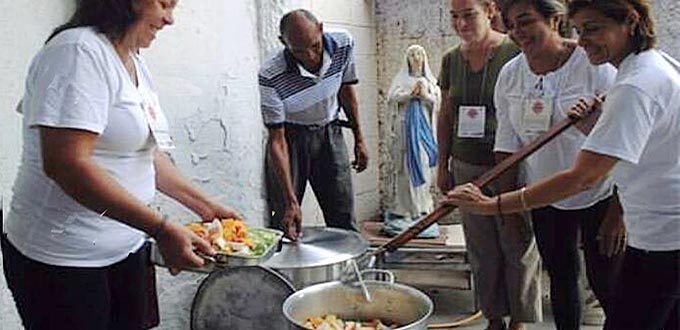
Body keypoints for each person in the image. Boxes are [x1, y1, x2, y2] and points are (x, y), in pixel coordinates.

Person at [1, 1, 240, 329]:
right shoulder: (77, 52)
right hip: (65, 260)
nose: (170, 19)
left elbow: (143, 153)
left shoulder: (131, 61)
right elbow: (67, 164)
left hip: (126, 247)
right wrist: (161, 228)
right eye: (164, 3)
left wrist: (205, 205)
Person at [444, 0, 680, 329]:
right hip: (656, 231)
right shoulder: (647, 67)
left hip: (661, 234)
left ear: (631, 21)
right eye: (581, 29)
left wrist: (493, 205)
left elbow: (583, 177)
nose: (583, 40)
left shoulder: (631, 83)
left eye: (593, 28)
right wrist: (596, 122)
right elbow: (634, 137)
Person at [491, 1, 626, 329]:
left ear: (554, 19)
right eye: (510, 25)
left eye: (525, 21)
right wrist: (510, 213)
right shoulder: (511, 75)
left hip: (600, 194)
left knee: (606, 282)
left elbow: (624, 142)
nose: (517, 32)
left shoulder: (592, 64)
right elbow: (507, 148)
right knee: (562, 281)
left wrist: (618, 213)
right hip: (545, 195)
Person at [437, 1, 540, 329]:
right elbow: (446, 114)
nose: (461, 22)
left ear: (490, 10)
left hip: (511, 163)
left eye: (469, 14)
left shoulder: (514, 51)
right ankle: (494, 317)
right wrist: (443, 164)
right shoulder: (452, 59)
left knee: (518, 241)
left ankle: (519, 321)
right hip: (467, 164)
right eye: (455, 16)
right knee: (481, 248)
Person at [259, 9, 369, 240]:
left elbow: (347, 91)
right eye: (299, 51)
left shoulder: (343, 43)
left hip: (330, 131)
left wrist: (360, 139)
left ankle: (347, 273)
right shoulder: (270, 74)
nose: (310, 56)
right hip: (291, 139)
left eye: (315, 46)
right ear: (283, 43)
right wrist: (290, 200)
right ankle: (285, 275)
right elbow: (277, 141)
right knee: (284, 220)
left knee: (343, 217)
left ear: (321, 28)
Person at [383, 44, 440, 238]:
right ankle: (404, 209)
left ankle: (422, 208)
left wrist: (424, 96)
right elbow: (391, 98)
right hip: (405, 131)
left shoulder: (429, 81)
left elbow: (437, 103)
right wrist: (409, 95)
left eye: (419, 54)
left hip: (423, 131)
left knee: (423, 166)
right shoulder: (402, 80)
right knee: (404, 170)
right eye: (412, 54)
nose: (416, 58)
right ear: (407, 58)